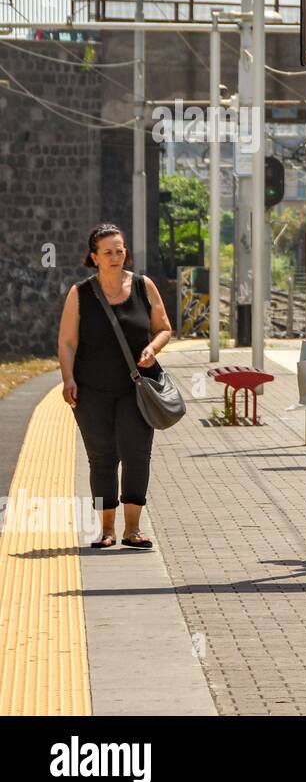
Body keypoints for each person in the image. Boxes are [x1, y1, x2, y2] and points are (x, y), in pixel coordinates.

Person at [57, 223, 172, 550]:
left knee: (137, 455)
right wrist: (68, 378)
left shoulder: (142, 286)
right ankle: (106, 529)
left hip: (138, 388)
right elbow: (66, 342)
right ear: (93, 256)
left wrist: (153, 348)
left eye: (120, 250)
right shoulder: (80, 294)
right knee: (102, 457)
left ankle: (132, 529)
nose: (115, 256)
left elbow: (163, 327)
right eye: (107, 252)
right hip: (92, 390)